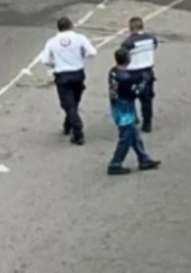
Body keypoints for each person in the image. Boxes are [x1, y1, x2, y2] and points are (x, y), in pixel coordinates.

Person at [42, 16, 98, 145]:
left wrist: (55, 64)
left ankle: (78, 131)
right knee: (74, 102)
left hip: (62, 75)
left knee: (68, 104)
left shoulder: (52, 41)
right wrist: (81, 58)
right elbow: (92, 52)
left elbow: (45, 60)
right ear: (71, 25)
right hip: (78, 73)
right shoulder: (80, 38)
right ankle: (67, 126)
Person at [106, 48, 161, 176]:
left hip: (117, 105)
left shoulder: (113, 72)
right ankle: (115, 163)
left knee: (134, 136)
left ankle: (143, 158)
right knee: (125, 138)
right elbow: (134, 93)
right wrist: (144, 82)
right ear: (127, 59)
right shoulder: (126, 78)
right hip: (125, 111)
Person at [119, 17, 160, 133]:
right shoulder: (152, 39)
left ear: (131, 28)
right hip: (148, 73)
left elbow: (123, 57)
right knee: (147, 100)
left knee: (128, 98)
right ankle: (147, 123)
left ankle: (131, 119)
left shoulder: (128, 42)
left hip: (132, 74)